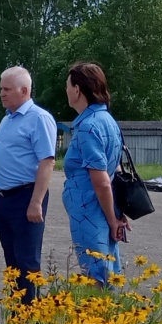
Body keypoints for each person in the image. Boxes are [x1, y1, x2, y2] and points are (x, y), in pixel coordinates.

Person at [0, 66, 57, 304]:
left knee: (27, 262)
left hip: (27, 197)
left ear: (24, 90)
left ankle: (29, 323)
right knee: (12, 262)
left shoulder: (38, 119)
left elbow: (47, 162)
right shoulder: (8, 119)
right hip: (5, 198)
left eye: (7, 89)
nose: (2, 94)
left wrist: (36, 202)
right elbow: (6, 162)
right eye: (1, 89)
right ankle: (16, 319)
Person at [63, 62, 129, 285]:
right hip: (104, 207)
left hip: (89, 209)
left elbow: (101, 179)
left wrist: (112, 220)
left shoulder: (88, 126)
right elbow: (117, 170)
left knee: (96, 271)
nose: (67, 91)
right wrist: (117, 212)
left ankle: (99, 318)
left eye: (68, 86)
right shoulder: (108, 120)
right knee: (108, 267)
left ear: (78, 90)